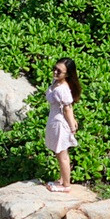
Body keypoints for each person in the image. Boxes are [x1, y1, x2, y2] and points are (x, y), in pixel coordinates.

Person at [44, 59, 80, 192]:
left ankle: (66, 185)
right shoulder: (56, 83)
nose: (55, 72)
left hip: (60, 123)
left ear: (67, 74)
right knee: (59, 154)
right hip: (55, 120)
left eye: (59, 71)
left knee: (62, 155)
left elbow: (67, 108)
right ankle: (62, 179)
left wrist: (71, 126)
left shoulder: (62, 89)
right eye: (55, 68)